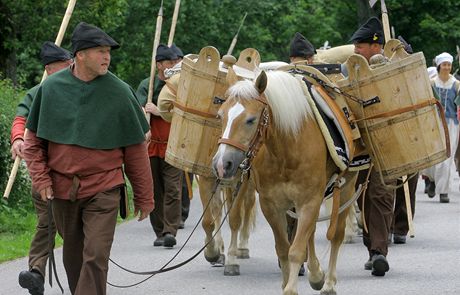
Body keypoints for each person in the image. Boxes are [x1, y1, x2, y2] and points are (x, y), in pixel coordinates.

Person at [23, 22, 154, 295]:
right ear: (80, 55)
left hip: (104, 188)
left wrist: (144, 196)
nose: (107, 57)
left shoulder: (119, 92)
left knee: (95, 255)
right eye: (100, 51)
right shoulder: (51, 89)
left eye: (108, 51)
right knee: (74, 259)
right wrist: (41, 178)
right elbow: (33, 143)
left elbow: (135, 150)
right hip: (62, 190)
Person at [11, 41, 72, 295]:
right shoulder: (37, 92)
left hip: (74, 172)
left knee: (74, 228)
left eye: (71, 64)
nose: (71, 68)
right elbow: (20, 119)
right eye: (65, 66)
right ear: (49, 68)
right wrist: (18, 138)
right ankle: (36, 273)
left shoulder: (82, 88)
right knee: (46, 223)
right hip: (42, 169)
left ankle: (83, 273)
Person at [349, 16, 394, 277]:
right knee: (363, 198)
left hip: (387, 147)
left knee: (381, 195)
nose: (356, 49)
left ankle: (379, 252)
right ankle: (372, 248)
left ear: (376, 46)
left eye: (361, 45)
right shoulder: (350, 73)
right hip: (360, 149)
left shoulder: (390, 72)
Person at [136, 44, 183, 248]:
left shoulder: (181, 84)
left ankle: (170, 231)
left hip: (173, 144)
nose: (174, 65)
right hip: (151, 145)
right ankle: (159, 231)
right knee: (155, 189)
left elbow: (184, 111)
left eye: (176, 62)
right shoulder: (147, 85)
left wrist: (159, 111)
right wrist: (143, 113)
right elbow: (138, 109)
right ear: (159, 65)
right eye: (170, 62)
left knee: (173, 188)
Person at [423, 52, 460, 203]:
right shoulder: (432, 83)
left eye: (449, 65)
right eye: (444, 64)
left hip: (451, 123)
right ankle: (431, 179)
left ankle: (443, 191)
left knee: (447, 157)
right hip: (434, 122)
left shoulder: (457, 84)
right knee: (433, 154)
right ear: (439, 65)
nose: (446, 67)